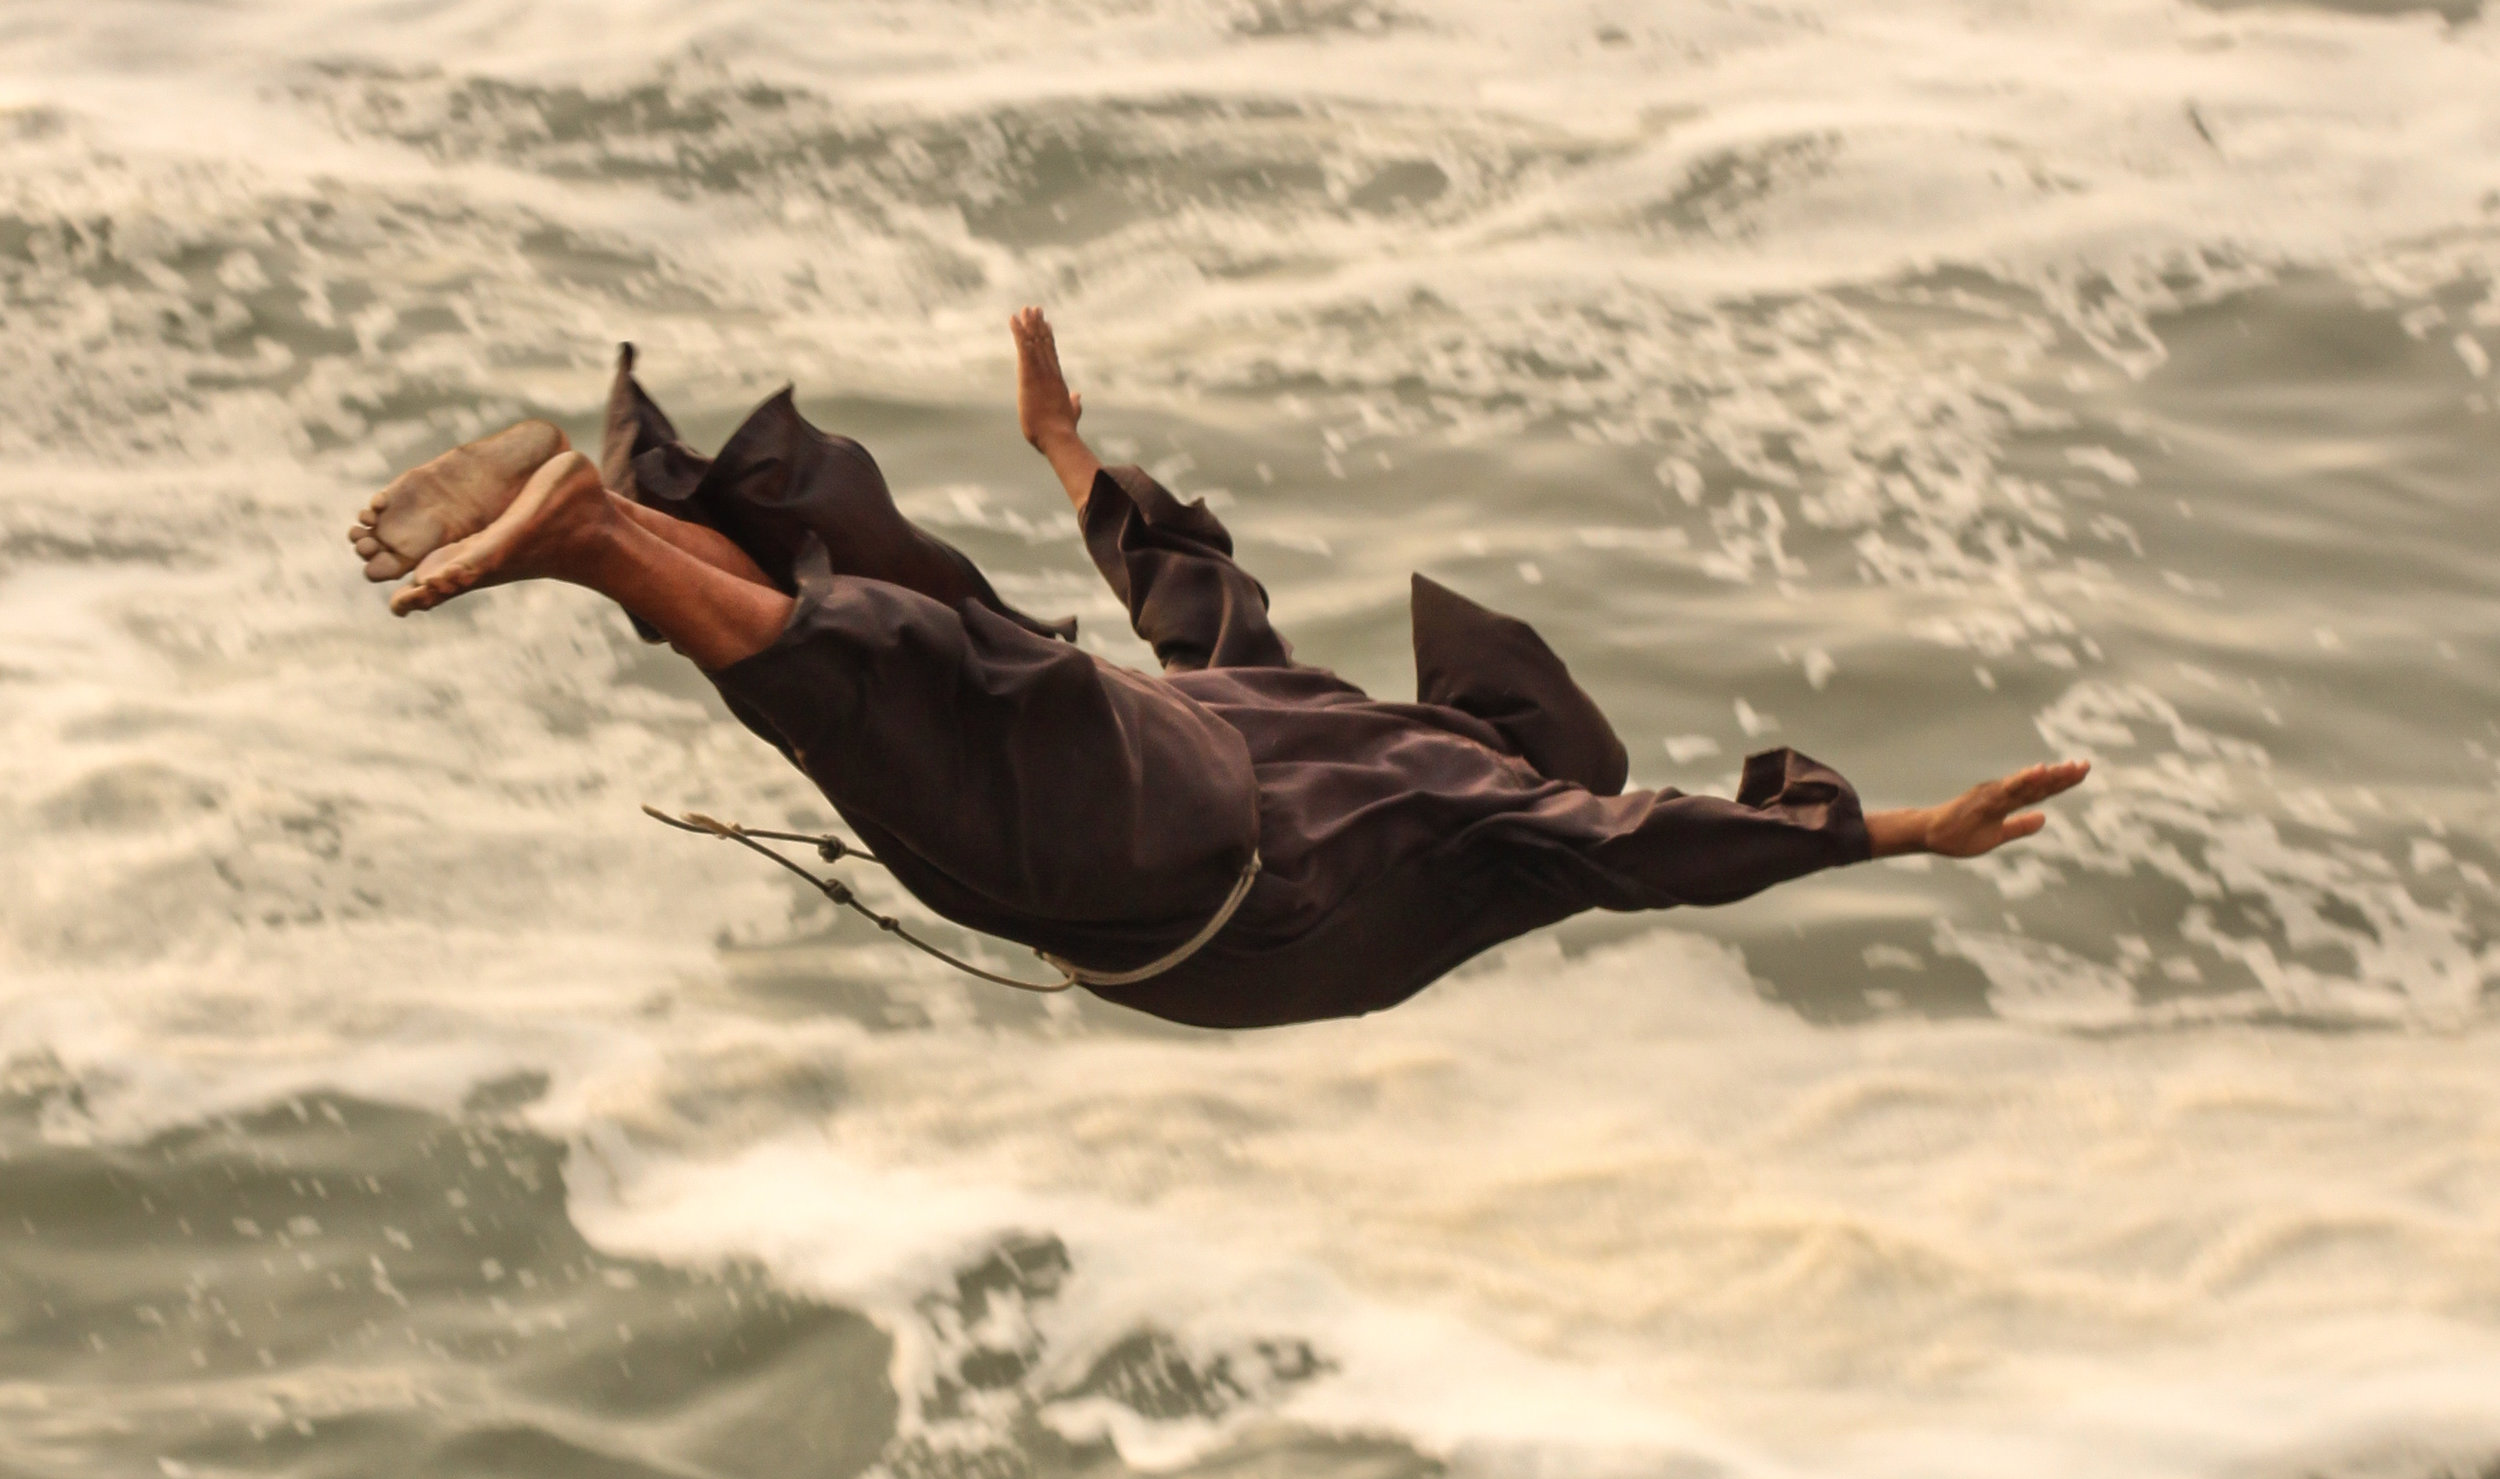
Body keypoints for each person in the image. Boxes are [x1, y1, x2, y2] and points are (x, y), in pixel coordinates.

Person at [349, 310, 2088, 1028]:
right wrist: (1902, 833)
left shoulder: (1333, 700)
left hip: (1142, 737)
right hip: (1174, 860)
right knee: (868, 700)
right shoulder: (1511, 814)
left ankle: (627, 525)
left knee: (884, 636)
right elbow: (1662, 852)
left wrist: (1062, 453)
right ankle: (584, 535)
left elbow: (1189, 591)